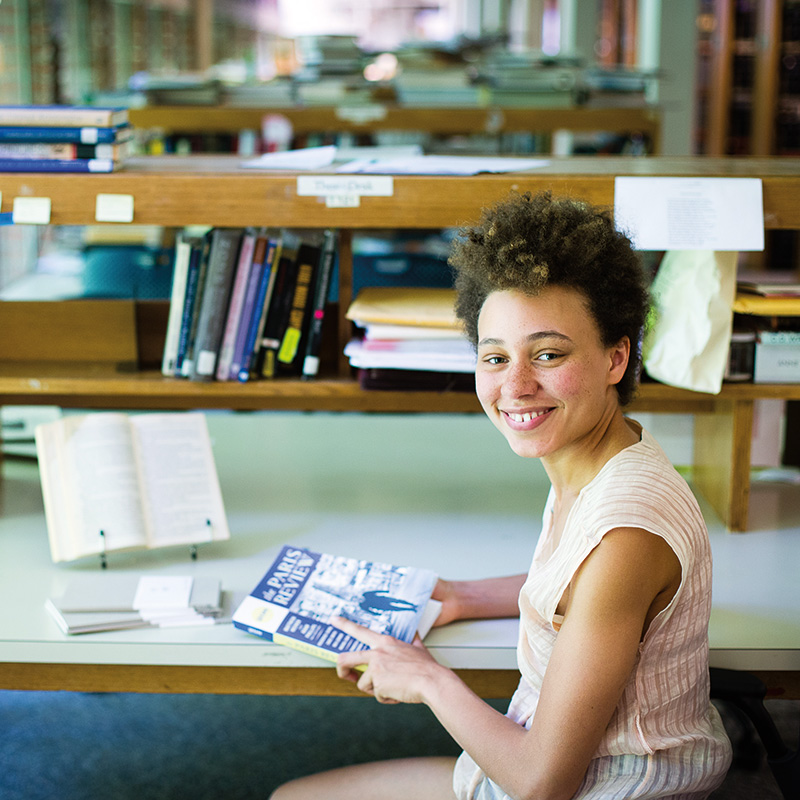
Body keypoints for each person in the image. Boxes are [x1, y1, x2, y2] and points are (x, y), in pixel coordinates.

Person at [269, 191, 732, 800]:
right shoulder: (603, 461)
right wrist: (462, 595)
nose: (514, 386)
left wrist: (431, 681)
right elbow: (583, 588)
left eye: (548, 354)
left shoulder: (626, 533)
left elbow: (543, 782)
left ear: (617, 356)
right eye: (494, 357)